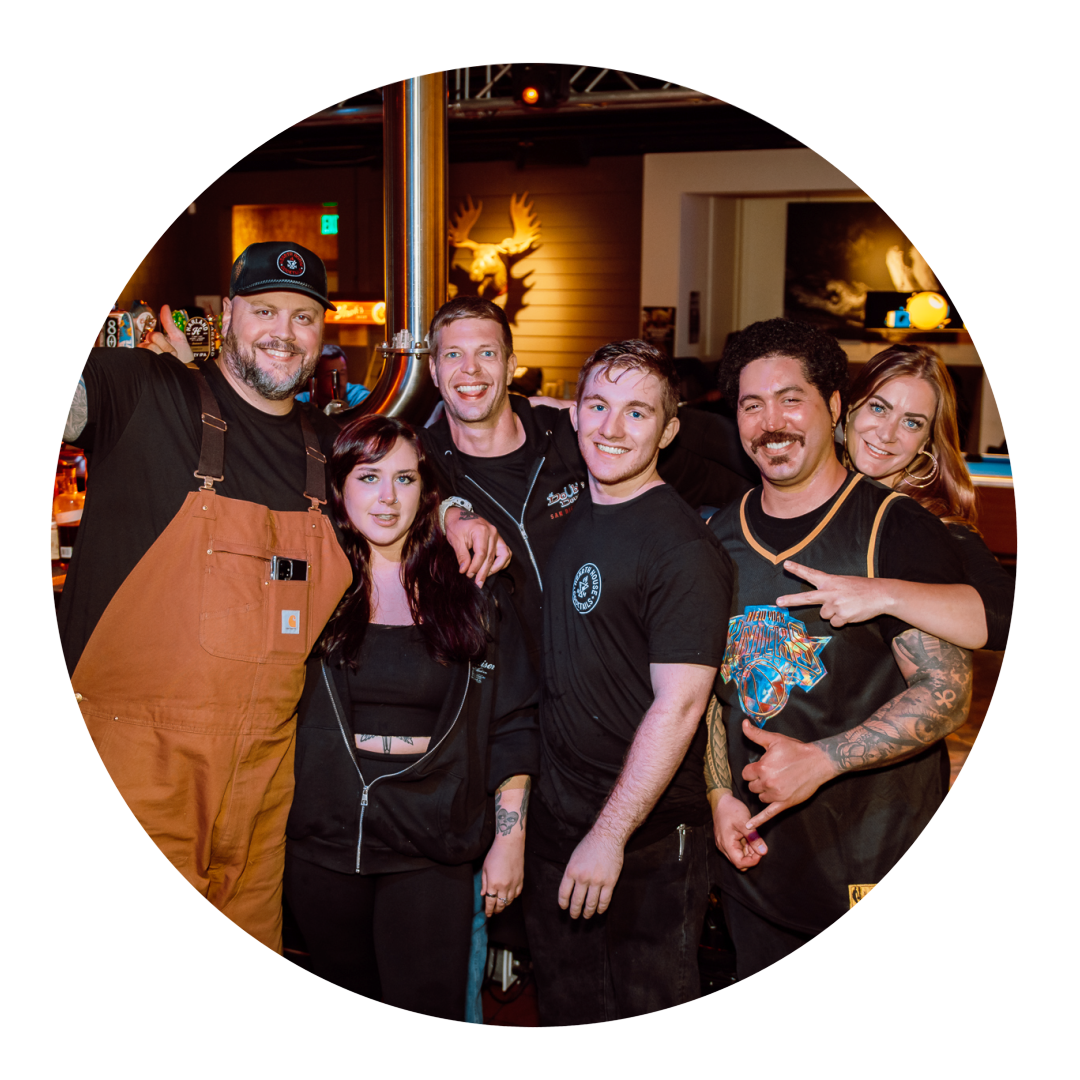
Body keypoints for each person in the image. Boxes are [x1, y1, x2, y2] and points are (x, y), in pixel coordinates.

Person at [61, 241, 353, 951]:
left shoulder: (328, 447)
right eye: (264, 310)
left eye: (304, 316)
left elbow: (421, 483)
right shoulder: (143, 390)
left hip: (263, 784)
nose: (284, 331)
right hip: (136, 769)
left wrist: (454, 513)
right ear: (226, 314)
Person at [703, 318, 974, 980]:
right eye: (752, 404)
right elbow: (711, 688)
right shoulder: (716, 539)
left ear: (833, 408)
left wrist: (822, 760)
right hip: (755, 865)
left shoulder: (895, 527)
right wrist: (718, 796)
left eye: (790, 399)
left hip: (869, 861)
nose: (771, 423)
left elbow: (947, 693)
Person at [283, 416, 538, 1020]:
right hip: (325, 841)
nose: (388, 498)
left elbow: (514, 719)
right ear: (339, 486)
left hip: (432, 842)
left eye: (404, 478)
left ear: (426, 491)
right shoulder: (311, 582)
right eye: (369, 477)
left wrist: (510, 840)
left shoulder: (472, 587)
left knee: (427, 1006)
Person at [521, 342, 734, 1024]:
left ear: (668, 431)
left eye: (637, 412)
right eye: (598, 405)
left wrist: (609, 836)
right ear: (574, 414)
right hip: (560, 824)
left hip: (644, 841)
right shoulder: (575, 517)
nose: (611, 428)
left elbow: (682, 705)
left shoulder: (681, 547)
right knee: (565, 1009)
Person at [421, 296, 752, 666]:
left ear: (510, 366)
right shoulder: (420, 461)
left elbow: (710, 463)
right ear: (433, 369)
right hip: (502, 688)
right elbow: (382, 502)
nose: (470, 369)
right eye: (453, 355)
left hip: (602, 675)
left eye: (486, 353)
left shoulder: (576, 434)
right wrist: (448, 513)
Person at [805, 343, 1012, 651]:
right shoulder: (815, 485)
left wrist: (884, 595)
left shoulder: (931, 522)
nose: (887, 434)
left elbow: (1007, 612)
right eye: (878, 408)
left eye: (911, 422)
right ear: (850, 409)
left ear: (926, 440)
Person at [294, 343, 370, 411]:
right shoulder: (301, 400)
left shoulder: (358, 396)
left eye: (342, 373)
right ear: (315, 378)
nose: (338, 380)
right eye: (329, 375)